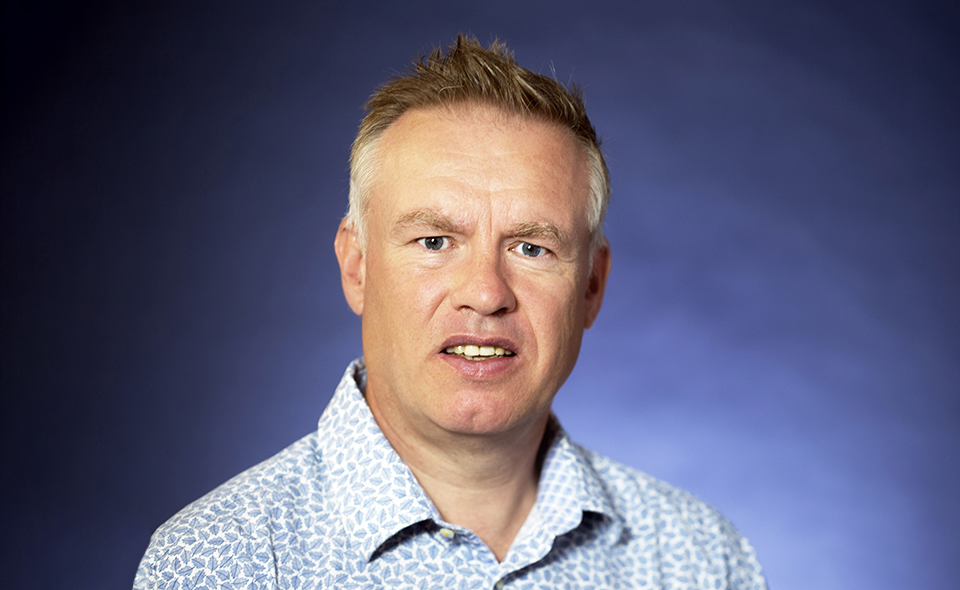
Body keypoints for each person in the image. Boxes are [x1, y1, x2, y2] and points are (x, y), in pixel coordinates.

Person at [134, 35, 767, 589]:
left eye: (531, 247)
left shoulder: (704, 563)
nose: (486, 293)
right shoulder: (222, 563)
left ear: (592, 287)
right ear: (357, 267)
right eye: (434, 241)